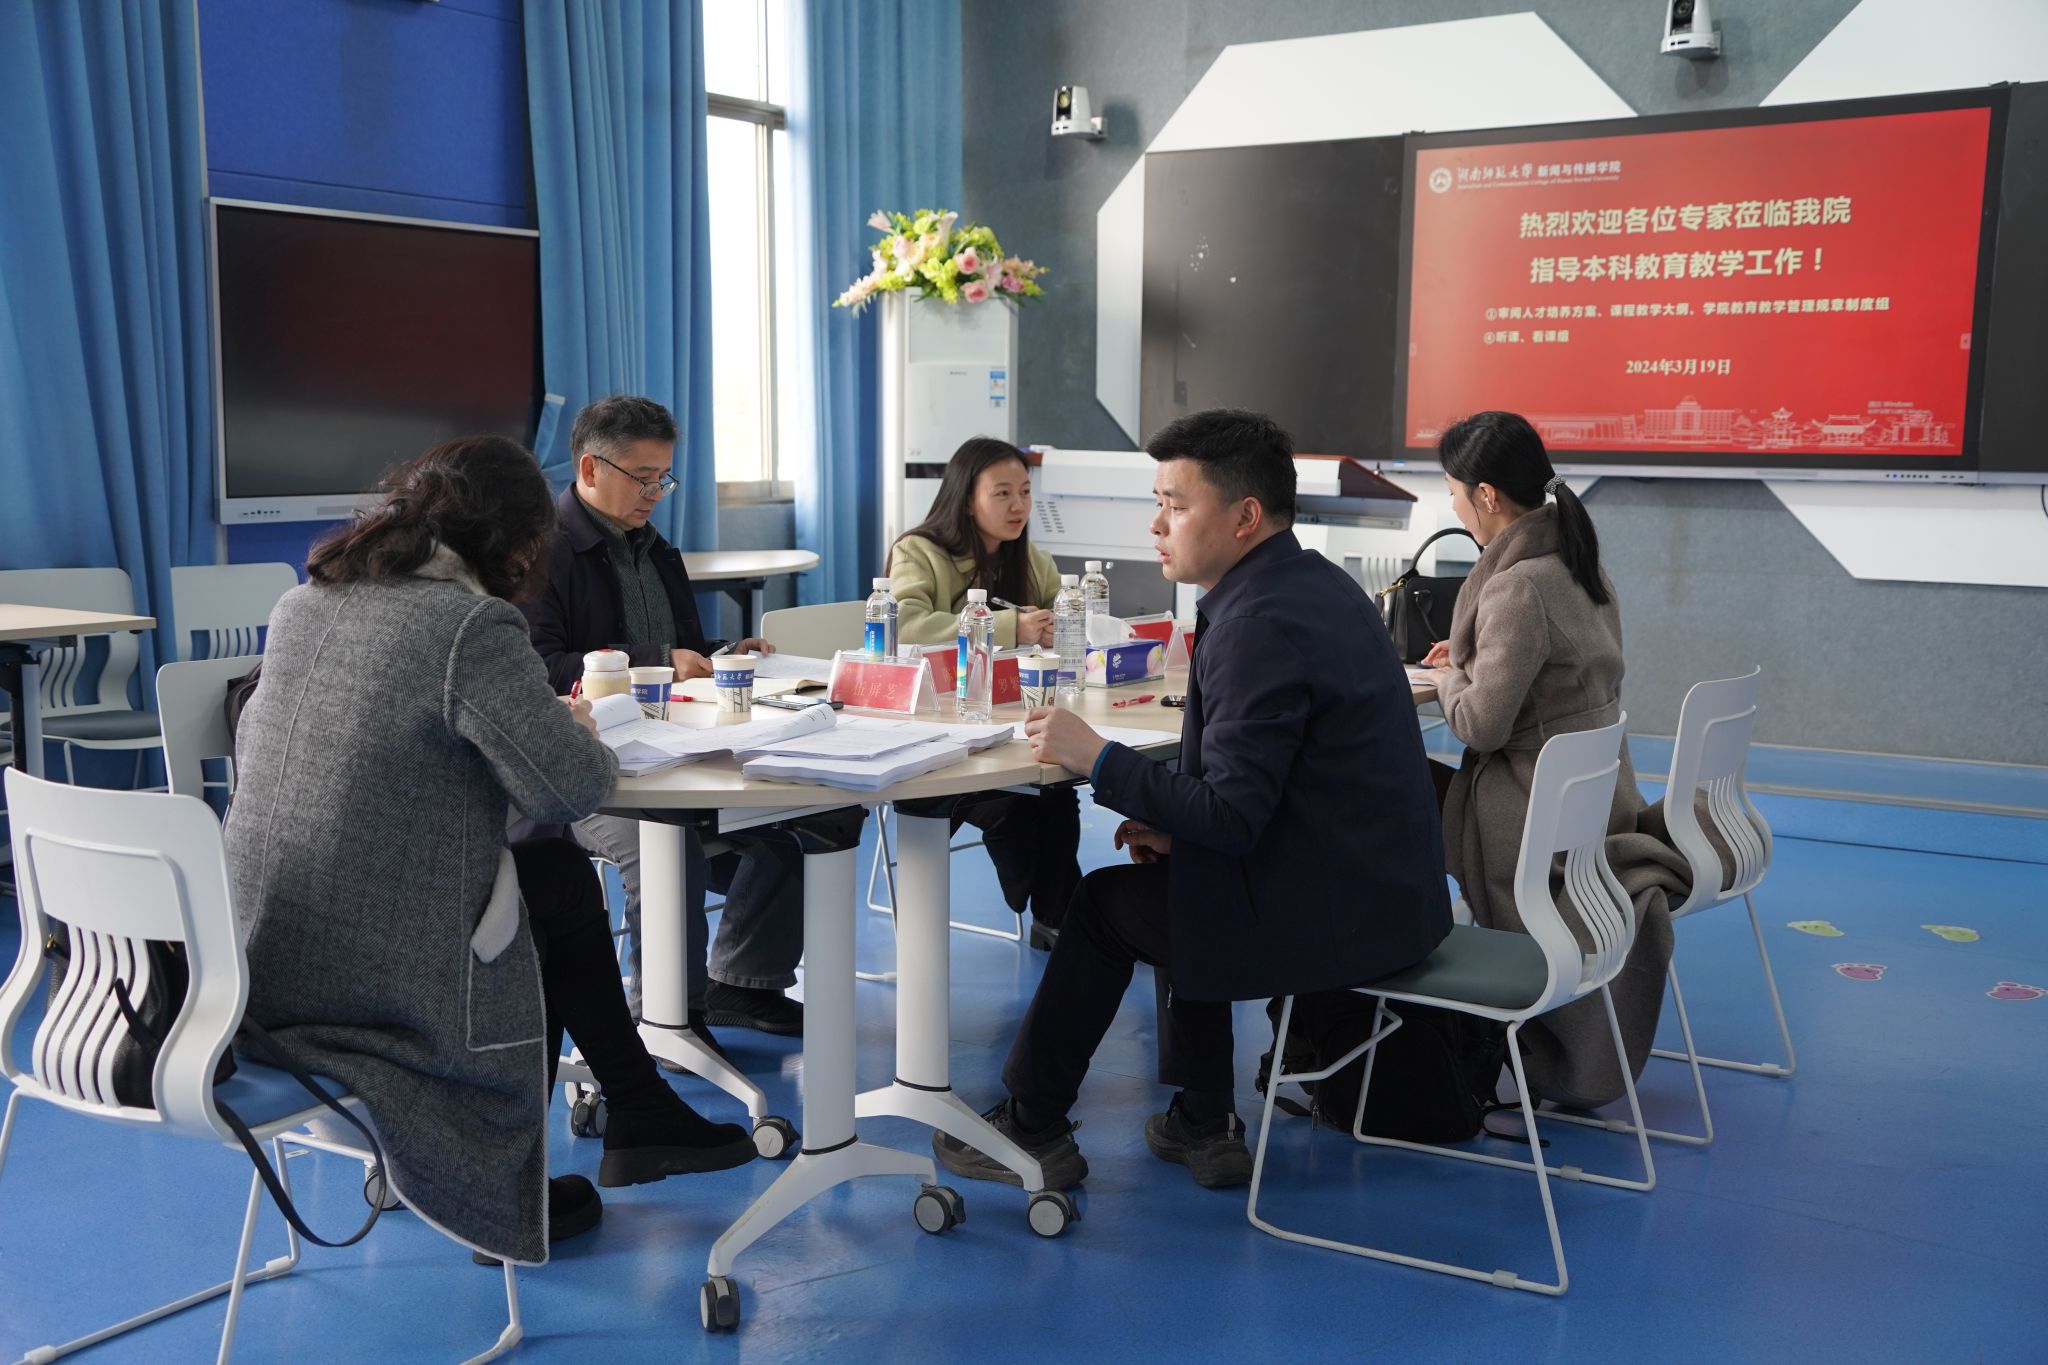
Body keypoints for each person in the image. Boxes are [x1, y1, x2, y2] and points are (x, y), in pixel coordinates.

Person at [224, 436, 756, 1269]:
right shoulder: (468, 623)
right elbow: (568, 788)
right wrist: (574, 727)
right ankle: (518, 1177)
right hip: (371, 980)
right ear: (517, 542)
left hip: (257, 960)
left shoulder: (307, 601)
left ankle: (633, 1104)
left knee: (551, 876)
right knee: (542, 889)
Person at [933, 408, 1452, 1191]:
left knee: (1103, 906)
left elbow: (1233, 818)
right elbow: (1278, 791)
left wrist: (1097, 757)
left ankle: (1031, 1123)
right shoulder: (1320, 585)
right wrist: (1177, 826)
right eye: (1158, 502)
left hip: (1335, 919)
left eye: (1175, 505)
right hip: (1386, 893)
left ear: (1245, 517)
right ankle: (1204, 1118)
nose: (1156, 524)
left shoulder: (1254, 624)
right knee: (1181, 868)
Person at [522, 394, 845, 1040]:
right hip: (587, 771)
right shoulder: (544, 553)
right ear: (589, 469)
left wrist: (725, 654)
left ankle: (743, 983)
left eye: (663, 478)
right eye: (643, 478)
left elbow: (681, 649)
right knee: (661, 849)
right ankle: (668, 1019)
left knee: (802, 823)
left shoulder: (655, 549)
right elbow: (542, 669)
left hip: (675, 750)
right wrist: (658, 661)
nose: (656, 494)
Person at [1419, 410, 1690, 1109]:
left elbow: (1478, 725)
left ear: (1485, 496)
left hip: (1526, 820)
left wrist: (1447, 679)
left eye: (1453, 495)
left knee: (1384, 796)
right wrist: (1471, 662)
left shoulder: (1517, 587)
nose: (1454, 510)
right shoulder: (1579, 564)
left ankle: (1392, 982)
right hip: (1593, 809)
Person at [888, 436, 1079, 948]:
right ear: (967, 498)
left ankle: (1057, 919)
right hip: (935, 735)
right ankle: (1059, 916)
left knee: (1057, 788)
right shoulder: (918, 551)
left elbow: (1067, 622)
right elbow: (906, 627)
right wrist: (1012, 625)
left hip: (1011, 722)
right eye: (1002, 493)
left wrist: (1057, 625)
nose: (1018, 506)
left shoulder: (1030, 559)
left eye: (1025, 492)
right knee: (1022, 806)